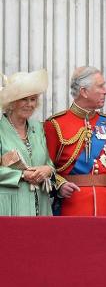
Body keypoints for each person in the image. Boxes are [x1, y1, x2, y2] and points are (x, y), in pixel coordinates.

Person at [43, 66, 106, 216]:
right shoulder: (55, 124)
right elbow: (46, 167)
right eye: (100, 86)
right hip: (71, 208)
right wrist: (60, 185)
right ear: (84, 92)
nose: (105, 91)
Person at [0, 69, 54, 216]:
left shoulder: (37, 128)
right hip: (10, 208)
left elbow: (48, 163)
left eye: (33, 99)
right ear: (11, 102)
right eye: (24, 99)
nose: (29, 104)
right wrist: (22, 175)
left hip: (40, 205)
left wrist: (47, 170)